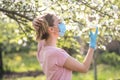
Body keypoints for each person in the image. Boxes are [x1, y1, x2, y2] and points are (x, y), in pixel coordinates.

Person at [32, 13, 98, 80]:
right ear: (51, 29)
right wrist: (92, 45)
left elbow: (42, 36)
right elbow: (84, 68)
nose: (62, 24)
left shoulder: (42, 50)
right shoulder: (57, 53)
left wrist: (39, 24)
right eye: (59, 22)